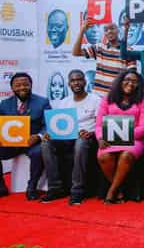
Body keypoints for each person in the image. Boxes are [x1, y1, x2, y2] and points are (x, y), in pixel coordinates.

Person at [0, 72, 51, 201]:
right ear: (12, 88)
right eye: (18, 85)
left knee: (39, 152)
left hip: (32, 143)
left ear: (31, 85)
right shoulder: (5, 103)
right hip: (11, 143)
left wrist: (38, 136)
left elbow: (48, 124)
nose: (22, 87)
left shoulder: (42, 102)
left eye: (25, 84)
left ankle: (32, 187)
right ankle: (0, 188)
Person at [40, 70, 101, 205]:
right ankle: (55, 188)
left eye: (79, 79)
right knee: (45, 143)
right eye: (73, 80)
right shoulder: (64, 102)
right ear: (69, 84)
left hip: (87, 137)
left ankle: (77, 191)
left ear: (84, 82)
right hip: (66, 137)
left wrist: (90, 132)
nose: (76, 83)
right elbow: (58, 124)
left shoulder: (96, 100)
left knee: (80, 143)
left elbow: (100, 124)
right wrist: (50, 133)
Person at [95, 70, 144, 204]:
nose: (130, 83)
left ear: (138, 85)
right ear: (120, 82)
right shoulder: (108, 99)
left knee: (126, 155)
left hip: (134, 140)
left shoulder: (143, 102)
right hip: (110, 139)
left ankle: (112, 191)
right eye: (127, 80)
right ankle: (118, 189)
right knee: (104, 157)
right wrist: (101, 138)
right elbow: (98, 124)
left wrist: (124, 135)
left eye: (134, 81)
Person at [73, 18, 136, 96]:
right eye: (106, 30)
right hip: (98, 97)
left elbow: (132, 76)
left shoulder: (128, 50)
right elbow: (76, 53)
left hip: (117, 97)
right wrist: (82, 30)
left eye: (112, 28)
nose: (109, 31)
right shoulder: (99, 48)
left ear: (118, 30)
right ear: (104, 34)